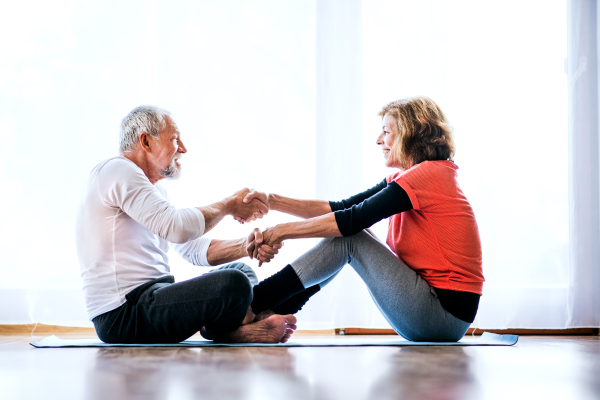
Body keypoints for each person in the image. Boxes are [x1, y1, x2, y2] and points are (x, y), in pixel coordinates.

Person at [243, 96, 484, 342]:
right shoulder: (414, 177)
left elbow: (351, 220)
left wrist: (281, 231)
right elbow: (342, 208)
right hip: (434, 312)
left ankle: (250, 306)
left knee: (352, 237)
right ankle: (269, 313)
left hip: (441, 317)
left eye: (386, 131)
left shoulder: (428, 176)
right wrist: (272, 201)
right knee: (351, 232)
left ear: (410, 134)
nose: (379, 140)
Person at [75, 105, 296, 344]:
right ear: (146, 141)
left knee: (242, 272)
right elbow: (178, 228)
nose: (183, 148)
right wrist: (229, 205)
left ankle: (232, 329)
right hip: (123, 313)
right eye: (174, 139)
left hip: (152, 298)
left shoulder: (153, 190)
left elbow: (190, 249)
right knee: (235, 284)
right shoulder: (117, 170)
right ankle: (234, 329)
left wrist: (247, 246)